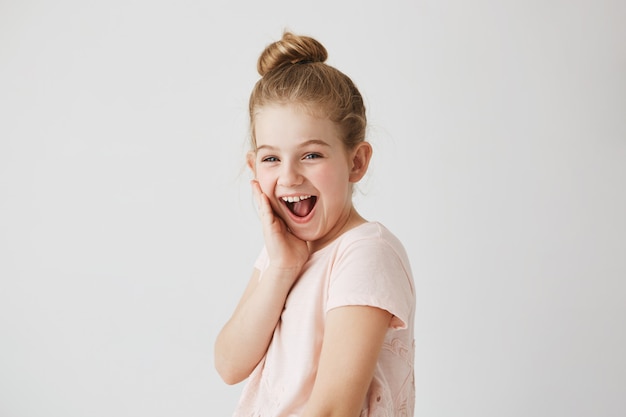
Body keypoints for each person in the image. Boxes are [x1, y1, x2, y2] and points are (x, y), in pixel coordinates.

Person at [214, 31, 416, 417]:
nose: (288, 177)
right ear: (253, 167)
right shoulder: (282, 254)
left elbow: (333, 409)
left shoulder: (366, 253)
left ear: (356, 162)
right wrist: (281, 269)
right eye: (272, 159)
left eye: (310, 155)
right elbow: (228, 364)